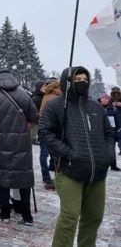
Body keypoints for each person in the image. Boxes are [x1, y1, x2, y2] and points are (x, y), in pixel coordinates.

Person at [39, 66, 115, 247]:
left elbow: (109, 133)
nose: (82, 82)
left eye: (85, 79)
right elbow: (45, 132)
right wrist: (68, 153)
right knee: (70, 216)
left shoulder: (96, 107)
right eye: (77, 79)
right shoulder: (56, 105)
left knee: (94, 217)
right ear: (68, 82)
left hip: (97, 172)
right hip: (69, 170)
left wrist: (107, 154)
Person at [0, 69, 39, 225]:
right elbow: (35, 117)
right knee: (24, 176)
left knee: (3, 175)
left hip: (0, 141)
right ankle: (27, 215)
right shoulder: (23, 94)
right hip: (22, 142)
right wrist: (26, 127)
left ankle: (5, 212)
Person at [39, 80, 62, 189]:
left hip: (44, 129)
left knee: (44, 154)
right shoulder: (54, 98)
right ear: (55, 89)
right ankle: (53, 179)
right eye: (60, 88)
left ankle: (46, 177)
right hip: (51, 130)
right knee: (54, 155)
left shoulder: (46, 96)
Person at [98, 93, 121, 171]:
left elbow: (118, 123)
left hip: (111, 133)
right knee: (99, 150)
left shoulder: (114, 110)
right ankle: (100, 165)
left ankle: (113, 165)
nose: (104, 99)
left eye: (106, 98)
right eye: (103, 98)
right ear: (100, 99)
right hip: (99, 133)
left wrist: (118, 133)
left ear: (109, 100)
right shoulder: (96, 108)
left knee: (111, 150)